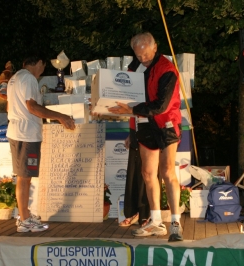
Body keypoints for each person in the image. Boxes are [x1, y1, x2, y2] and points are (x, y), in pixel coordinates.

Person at [108, 32, 183, 241]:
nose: (143, 59)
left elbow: (160, 106)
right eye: (139, 55)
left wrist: (130, 110)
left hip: (166, 124)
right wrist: (132, 131)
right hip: (143, 124)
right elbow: (131, 100)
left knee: (167, 172)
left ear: (155, 47)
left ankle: (176, 223)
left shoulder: (167, 70)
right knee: (148, 174)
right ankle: (155, 221)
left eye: (146, 55)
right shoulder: (133, 69)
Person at [7, 51, 76, 232]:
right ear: (38, 62)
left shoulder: (15, 78)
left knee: (24, 177)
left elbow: (11, 107)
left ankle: (24, 216)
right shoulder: (28, 78)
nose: (42, 71)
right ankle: (24, 219)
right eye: (43, 67)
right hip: (25, 134)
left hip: (18, 131)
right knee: (24, 178)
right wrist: (60, 117)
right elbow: (32, 107)